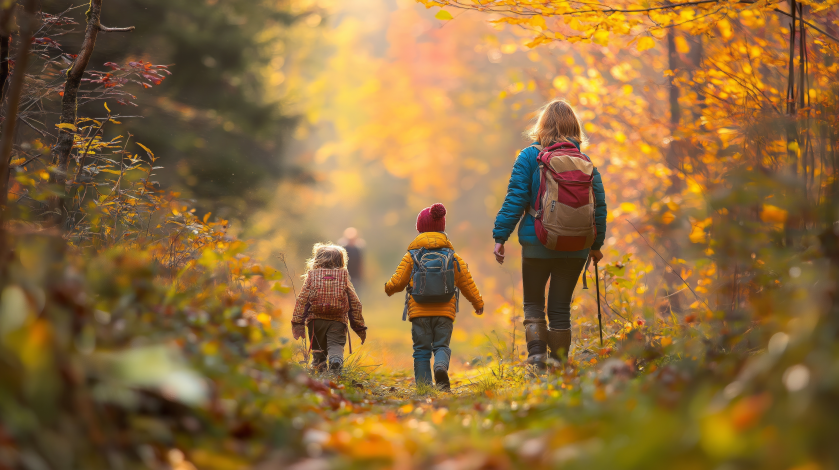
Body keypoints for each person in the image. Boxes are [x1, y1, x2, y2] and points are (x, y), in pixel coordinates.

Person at [492, 99, 608, 368]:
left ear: (542, 125)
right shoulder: (585, 162)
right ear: (574, 127)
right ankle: (559, 367)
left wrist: (501, 236)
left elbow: (516, 198)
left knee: (533, 303)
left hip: (537, 242)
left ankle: (536, 358)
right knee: (560, 309)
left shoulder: (529, 156)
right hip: (577, 245)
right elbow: (599, 206)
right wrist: (596, 244)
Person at [385, 203, 484, 391]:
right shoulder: (452, 256)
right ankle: (440, 366)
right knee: (441, 346)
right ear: (442, 228)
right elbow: (466, 282)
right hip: (445, 311)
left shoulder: (412, 255)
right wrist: (477, 302)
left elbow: (398, 281)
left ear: (420, 229)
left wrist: (388, 289)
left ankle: (424, 388)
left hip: (419, 312)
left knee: (421, 350)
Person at [291, 243, 367, 372]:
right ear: (341, 260)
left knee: (318, 348)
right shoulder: (343, 277)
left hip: (315, 321)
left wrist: (298, 322)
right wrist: (358, 326)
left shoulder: (312, 276)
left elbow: (302, 300)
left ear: (317, 259)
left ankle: (318, 369)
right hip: (337, 320)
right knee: (336, 344)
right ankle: (335, 360)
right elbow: (355, 302)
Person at [339, 227, 365, 293]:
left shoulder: (358, 249)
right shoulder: (342, 249)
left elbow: (360, 263)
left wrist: (361, 275)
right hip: (344, 276)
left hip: (355, 276)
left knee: (355, 294)